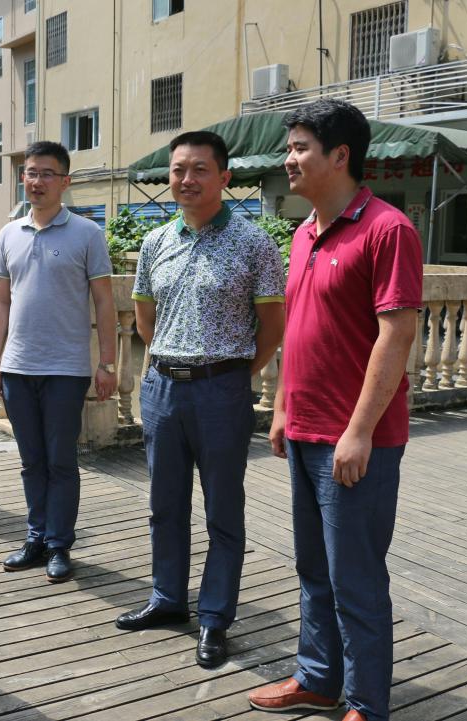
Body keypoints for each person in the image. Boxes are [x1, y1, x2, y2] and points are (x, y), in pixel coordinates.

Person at [246, 100, 422, 721]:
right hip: (305, 429)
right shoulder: (302, 234)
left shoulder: (387, 229)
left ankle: (368, 705)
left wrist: (359, 431)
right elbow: (299, 328)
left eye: (300, 148)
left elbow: (396, 335)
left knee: (356, 578)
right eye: (289, 148)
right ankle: (319, 679)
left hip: (355, 440)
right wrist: (282, 406)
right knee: (313, 569)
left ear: (340, 155)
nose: (288, 159)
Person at [115, 131, 286, 670]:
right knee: (164, 504)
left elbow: (272, 327)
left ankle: (214, 616)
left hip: (221, 389)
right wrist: (172, 365)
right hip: (163, 388)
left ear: (224, 177)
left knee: (222, 509)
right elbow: (145, 320)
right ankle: (168, 598)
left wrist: (230, 374)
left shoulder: (254, 243)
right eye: (178, 170)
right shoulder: (155, 242)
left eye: (200, 170)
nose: (186, 180)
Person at [0, 140, 117, 583]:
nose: (36, 181)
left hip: (65, 368)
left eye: (46, 173)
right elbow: (1, 302)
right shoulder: (9, 234)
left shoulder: (87, 233)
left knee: (61, 461)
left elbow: (104, 302)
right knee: (31, 460)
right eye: (30, 172)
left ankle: (60, 544)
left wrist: (107, 364)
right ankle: (36, 537)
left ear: (65, 181)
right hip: (18, 367)